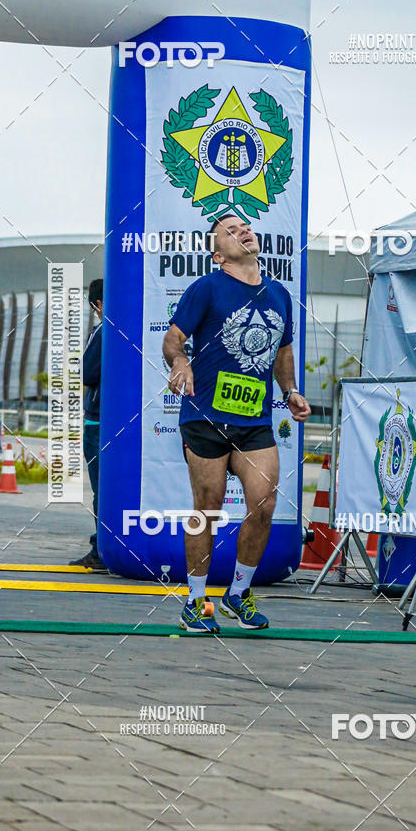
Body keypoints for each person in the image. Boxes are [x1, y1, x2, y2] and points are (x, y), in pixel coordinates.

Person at [163, 214, 311, 634]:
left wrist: (290, 391)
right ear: (217, 253)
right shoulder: (206, 288)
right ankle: (196, 601)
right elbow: (172, 338)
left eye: (245, 227)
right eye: (230, 231)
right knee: (207, 511)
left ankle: (238, 593)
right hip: (205, 417)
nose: (242, 232)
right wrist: (181, 360)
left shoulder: (279, 294)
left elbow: (283, 351)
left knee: (263, 506)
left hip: (254, 421)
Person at [70, 278, 107, 571]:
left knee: (101, 489)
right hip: (125, 422)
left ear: (97, 305)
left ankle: (100, 549)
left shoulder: (102, 330)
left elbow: (86, 372)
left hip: (98, 421)